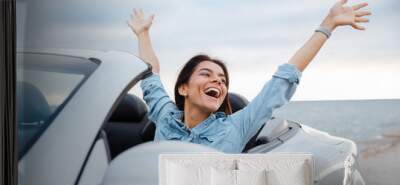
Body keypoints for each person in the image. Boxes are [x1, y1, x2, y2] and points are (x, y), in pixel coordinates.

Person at [127, 0, 371, 154]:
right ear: (183, 88)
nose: (218, 82)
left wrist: (327, 25)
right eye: (206, 74)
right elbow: (150, 76)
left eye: (222, 80)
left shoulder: (237, 126)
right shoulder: (166, 117)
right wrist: (143, 34)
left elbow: (282, 80)